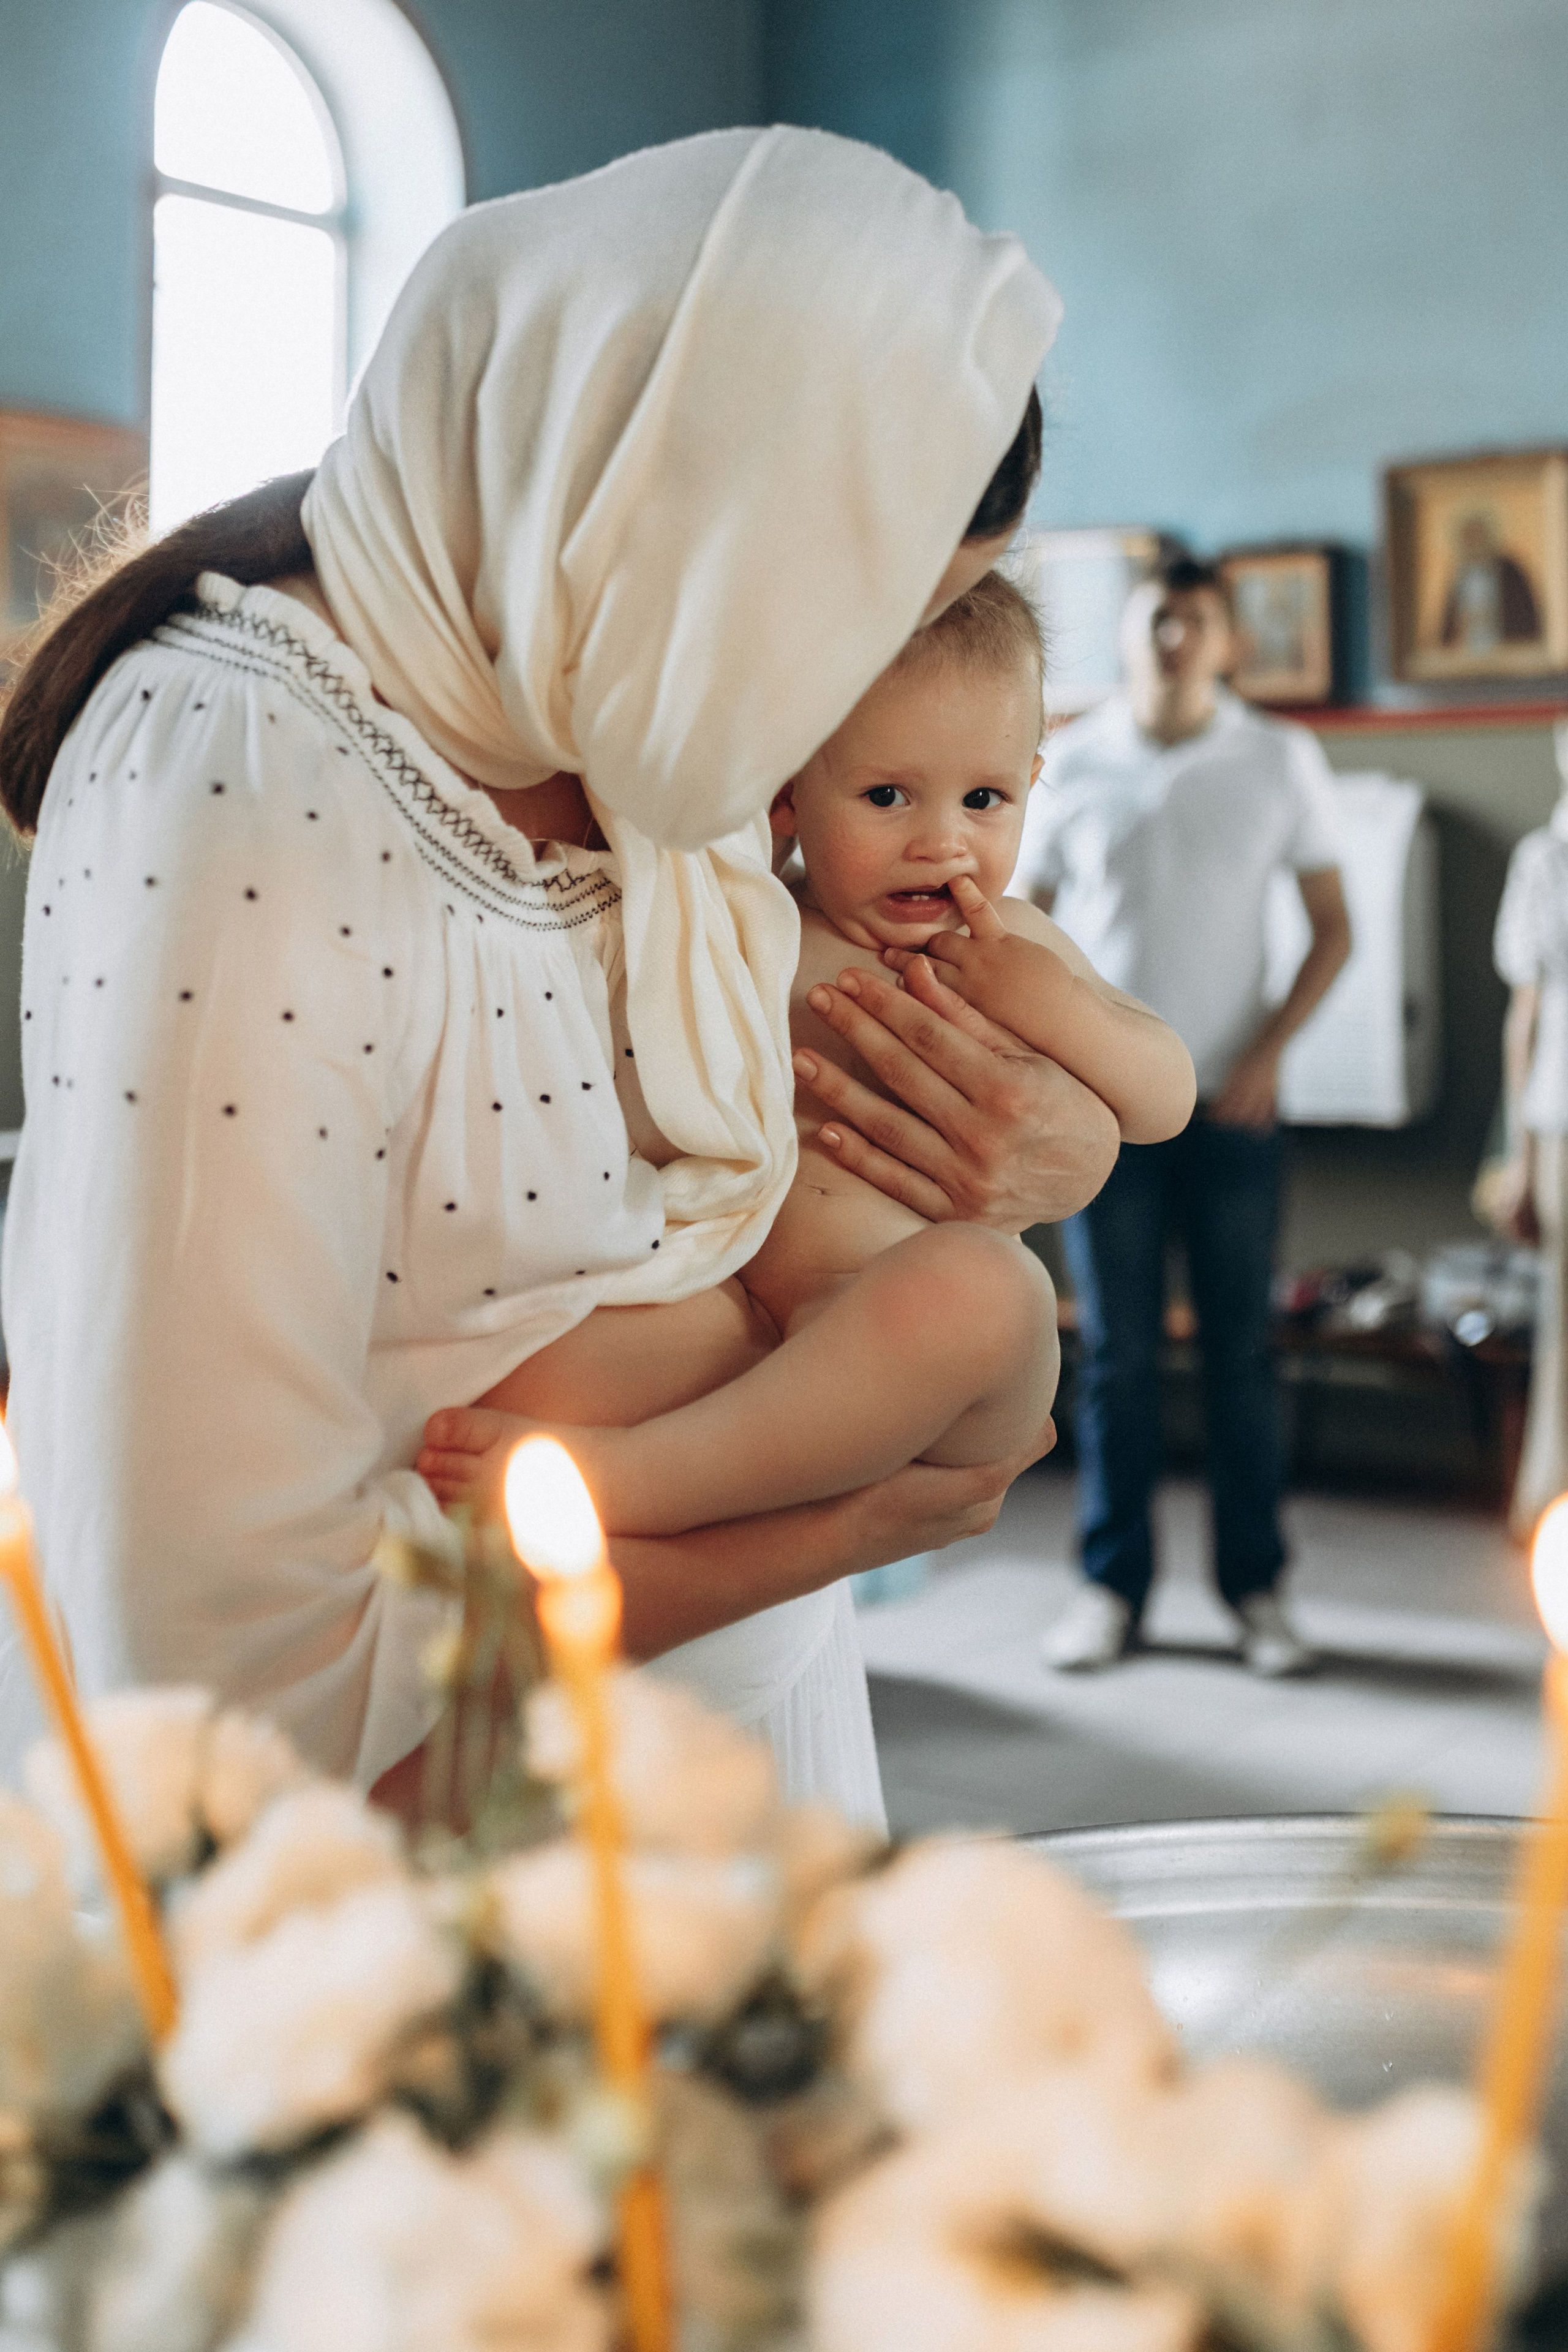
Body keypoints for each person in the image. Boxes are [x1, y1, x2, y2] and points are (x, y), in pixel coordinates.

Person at [0, 129, 1122, 1828]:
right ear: (673, 511)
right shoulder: (237, 776)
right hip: (433, 1841)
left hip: (733, 1752)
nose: (829, 727)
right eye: (833, 633)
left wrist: (1040, 1144)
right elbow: (220, 1657)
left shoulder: (633, 712)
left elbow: (890, 1105)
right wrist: (838, 1524)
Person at [418, 575, 1194, 1534]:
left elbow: (1168, 1095)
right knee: (530, 1363)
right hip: (739, 1306)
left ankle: (634, 1482)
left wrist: (1065, 1010)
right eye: (886, 796)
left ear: (1032, 784)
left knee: (989, 1293)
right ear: (789, 796)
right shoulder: (746, 927)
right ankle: (621, 1492)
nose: (940, 840)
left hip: (924, 1340)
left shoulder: (1023, 950)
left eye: (984, 798)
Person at [1017, 554, 1351, 1676]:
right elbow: (1028, 933)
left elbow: (1334, 926)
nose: (1172, 638)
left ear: (1225, 643)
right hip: (1108, 1120)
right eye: (1156, 618)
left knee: (1239, 1357)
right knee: (1114, 1360)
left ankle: (1257, 1593)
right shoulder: (1071, 760)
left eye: (1193, 622)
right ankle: (1110, 1591)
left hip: (1235, 1111)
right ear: (1125, 633)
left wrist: (1267, 1055)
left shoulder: (1276, 758)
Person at [1487, 719, 1568, 1539]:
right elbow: (1528, 1023)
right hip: (1562, 1121)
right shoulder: (1547, 861)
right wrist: (1519, 1157)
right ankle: (1551, 1505)